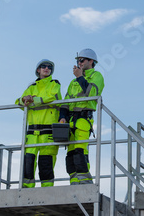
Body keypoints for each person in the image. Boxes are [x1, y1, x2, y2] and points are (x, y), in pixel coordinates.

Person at [59, 48, 104, 185]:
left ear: (91, 61)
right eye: (78, 60)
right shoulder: (73, 83)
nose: (79, 62)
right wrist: (62, 117)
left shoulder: (97, 76)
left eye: (82, 60)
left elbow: (92, 93)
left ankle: (85, 182)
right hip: (71, 121)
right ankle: (74, 182)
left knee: (80, 151)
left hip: (84, 120)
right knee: (70, 154)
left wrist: (80, 77)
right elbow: (65, 102)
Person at [15, 59, 62, 188]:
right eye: (43, 67)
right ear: (38, 70)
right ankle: (26, 189)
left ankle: (46, 190)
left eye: (49, 67)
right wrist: (24, 99)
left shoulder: (55, 84)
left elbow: (54, 97)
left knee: (46, 162)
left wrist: (33, 100)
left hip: (48, 131)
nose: (46, 69)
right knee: (28, 161)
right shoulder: (31, 87)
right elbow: (18, 103)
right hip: (32, 132)